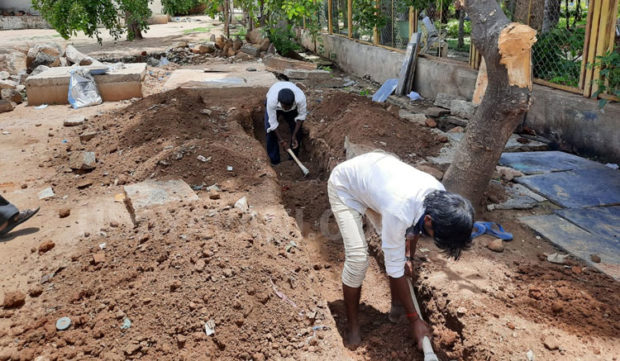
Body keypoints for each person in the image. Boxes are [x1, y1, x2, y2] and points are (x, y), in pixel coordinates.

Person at [327, 151, 474, 349]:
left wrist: (409, 258)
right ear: (429, 221)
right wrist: (415, 320)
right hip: (345, 187)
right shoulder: (399, 210)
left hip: (377, 183)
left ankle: (397, 305)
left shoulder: (438, 195)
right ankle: (352, 326)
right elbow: (394, 265)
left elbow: (414, 230)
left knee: (399, 254)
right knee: (358, 259)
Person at [264, 81, 307, 165]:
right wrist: (282, 141)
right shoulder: (272, 101)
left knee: (297, 131)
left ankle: (293, 159)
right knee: (269, 131)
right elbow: (272, 123)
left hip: (292, 107)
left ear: (293, 102)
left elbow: (301, 117)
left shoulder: (300, 99)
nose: (286, 109)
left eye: (289, 106)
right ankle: (275, 161)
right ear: (280, 103)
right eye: (285, 107)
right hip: (275, 106)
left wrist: (294, 135)